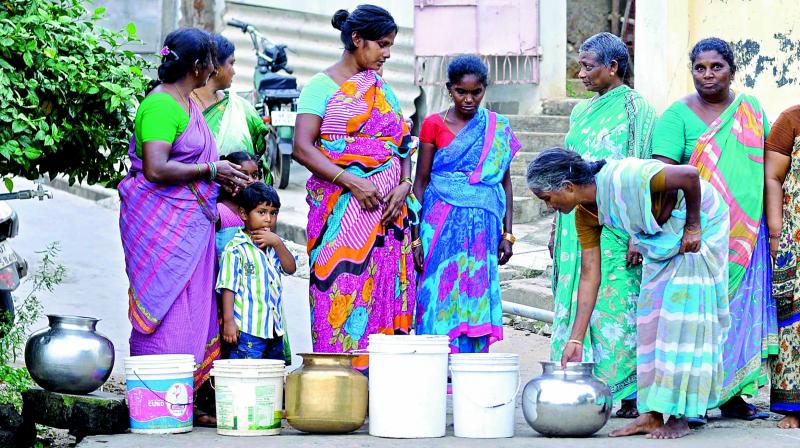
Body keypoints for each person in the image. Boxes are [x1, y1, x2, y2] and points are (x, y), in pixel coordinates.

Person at [528, 148, 730, 439]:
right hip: (662, 241)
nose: (549, 207)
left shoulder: (624, 177)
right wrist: (575, 339)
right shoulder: (585, 215)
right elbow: (589, 275)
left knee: (680, 320)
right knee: (649, 323)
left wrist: (693, 226)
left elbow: (689, 175)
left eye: (547, 198)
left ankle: (681, 416)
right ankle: (651, 414)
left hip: (699, 225)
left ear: (567, 187)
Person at [118, 28, 250, 426]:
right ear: (197, 66)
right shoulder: (161, 105)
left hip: (190, 218)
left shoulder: (187, 102)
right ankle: (157, 399)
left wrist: (224, 179)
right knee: (168, 307)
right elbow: (156, 168)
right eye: (212, 60)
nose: (216, 67)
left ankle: (187, 399)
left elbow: (191, 163)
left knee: (195, 306)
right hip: (160, 223)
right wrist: (213, 169)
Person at [651, 37, 776, 421]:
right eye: (699, 68)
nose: (707, 75)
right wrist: (654, 232)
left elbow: (766, 167)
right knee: (698, 314)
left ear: (732, 71)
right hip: (696, 234)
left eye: (716, 67)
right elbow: (659, 177)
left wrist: (773, 228)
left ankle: (734, 394)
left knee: (738, 312)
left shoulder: (750, 110)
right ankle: (695, 398)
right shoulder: (676, 116)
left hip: (747, 233)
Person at [293, 5, 418, 364]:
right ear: (356, 39)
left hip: (388, 217)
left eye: (391, 45)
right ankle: (340, 383)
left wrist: (405, 184)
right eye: (381, 44)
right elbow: (303, 147)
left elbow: (403, 144)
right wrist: (353, 182)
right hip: (341, 214)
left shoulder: (383, 89)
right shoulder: (321, 87)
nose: (387, 53)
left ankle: (379, 387)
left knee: (383, 294)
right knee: (340, 290)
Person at [549, 32, 657, 416]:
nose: (581, 74)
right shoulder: (580, 112)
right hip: (575, 220)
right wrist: (553, 228)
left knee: (616, 300)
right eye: (580, 65)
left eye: (588, 66)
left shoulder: (637, 109)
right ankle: (580, 375)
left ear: (613, 67)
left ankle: (628, 391)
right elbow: (562, 169)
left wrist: (636, 233)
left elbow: (641, 168)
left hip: (618, 222)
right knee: (577, 294)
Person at [412, 55, 519, 353]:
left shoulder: (497, 127)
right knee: (438, 289)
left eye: (476, 92)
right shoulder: (434, 124)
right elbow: (421, 181)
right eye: (461, 92)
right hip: (440, 221)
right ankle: (437, 359)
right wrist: (415, 237)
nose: (469, 99)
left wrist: (508, 234)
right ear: (450, 88)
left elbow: (505, 183)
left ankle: (470, 363)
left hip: (483, 229)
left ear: (485, 89)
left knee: (475, 289)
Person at [217, 182, 297, 360]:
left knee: (273, 376)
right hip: (248, 330)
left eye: (273, 213)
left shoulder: (274, 245)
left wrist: (277, 243)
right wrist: (229, 322)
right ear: (244, 214)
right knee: (247, 376)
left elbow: (290, 268)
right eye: (262, 212)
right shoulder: (235, 249)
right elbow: (228, 288)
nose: (268, 219)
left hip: (273, 329)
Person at [764, 104, 800, 429]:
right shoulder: (792, 119)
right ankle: (794, 408)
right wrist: (776, 233)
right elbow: (773, 177)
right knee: (793, 319)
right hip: (795, 235)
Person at [192, 34, 269, 159]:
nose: (234, 72)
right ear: (215, 66)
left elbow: (256, 158)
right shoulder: (182, 103)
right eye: (231, 63)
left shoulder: (240, 107)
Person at [215, 151, 260, 259]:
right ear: (227, 177)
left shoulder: (257, 209)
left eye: (254, 175)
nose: (250, 180)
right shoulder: (220, 212)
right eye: (243, 175)